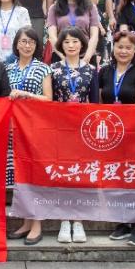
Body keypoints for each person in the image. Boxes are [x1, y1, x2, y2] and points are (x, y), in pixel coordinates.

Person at [101, 32, 135, 246]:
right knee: (116, 178)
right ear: (113, 48)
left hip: (134, 133)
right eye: (120, 47)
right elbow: (99, 102)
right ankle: (122, 222)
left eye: (128, 48)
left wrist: (125, 124)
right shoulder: (105, 71)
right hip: (110, 135)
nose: (123, 51)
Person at [48, 27, 99, 244]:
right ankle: (64, 220)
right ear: (61, 45)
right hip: (59, 129)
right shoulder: (53, 69)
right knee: (62, 173)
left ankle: (78, 220)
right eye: (67, 41)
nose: (71, 45)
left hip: (83, 130)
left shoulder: (91, 70)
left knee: (80, 174)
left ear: (82, 45)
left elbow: (95, 102)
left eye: (75, 41)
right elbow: (49, 100)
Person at [4, 28, 53, 245]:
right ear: (16, 44)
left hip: (35, 129)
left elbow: (48, 98)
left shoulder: (43, 68)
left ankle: (36, 224)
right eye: (23, 41)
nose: (27, 45)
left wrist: (27, 94)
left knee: (34, 176)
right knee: (19, 177)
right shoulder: (7, 69)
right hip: (12, 129)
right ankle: (25, 222)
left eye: (31, 42)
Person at [46, 0, 100, 65]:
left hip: (86, 57)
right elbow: (52, 36)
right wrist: (64, 58)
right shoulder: (54, 9)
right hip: (61, 57)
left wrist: (87, 58)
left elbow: (94, 35)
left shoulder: (90, 7)